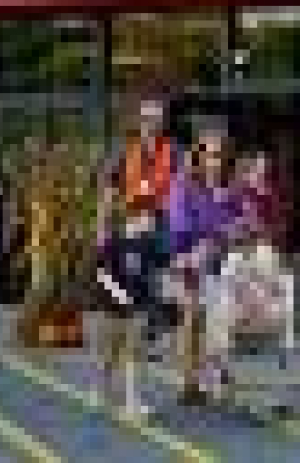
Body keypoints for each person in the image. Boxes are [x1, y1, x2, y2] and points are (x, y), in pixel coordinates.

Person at [95, 87, 182, 416]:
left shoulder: (173, 153)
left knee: (138, 317)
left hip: (154, 242)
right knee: (115, 318)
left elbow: (177, 196)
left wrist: (173, 238)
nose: (150, 124)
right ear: (138, 120)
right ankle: (106, 386)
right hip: (121, 242)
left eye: (156, 119)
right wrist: (103, 233)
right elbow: (107, 194)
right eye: (146, 118)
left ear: (162, 122)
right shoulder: (122, 152)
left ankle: (131, 394)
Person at [165, 119, 243, 404]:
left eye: (219, 155)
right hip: (189, 257)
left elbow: (242, 220)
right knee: (193, 316)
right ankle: (189, 382)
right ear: (198, 155)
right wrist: (195, 250)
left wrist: (227, 233)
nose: (214, 161)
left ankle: (215, 376)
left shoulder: (231, 186)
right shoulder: (184, 184)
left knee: (220, 319)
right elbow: (178, 224)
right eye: (209, 154)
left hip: (222, 259)